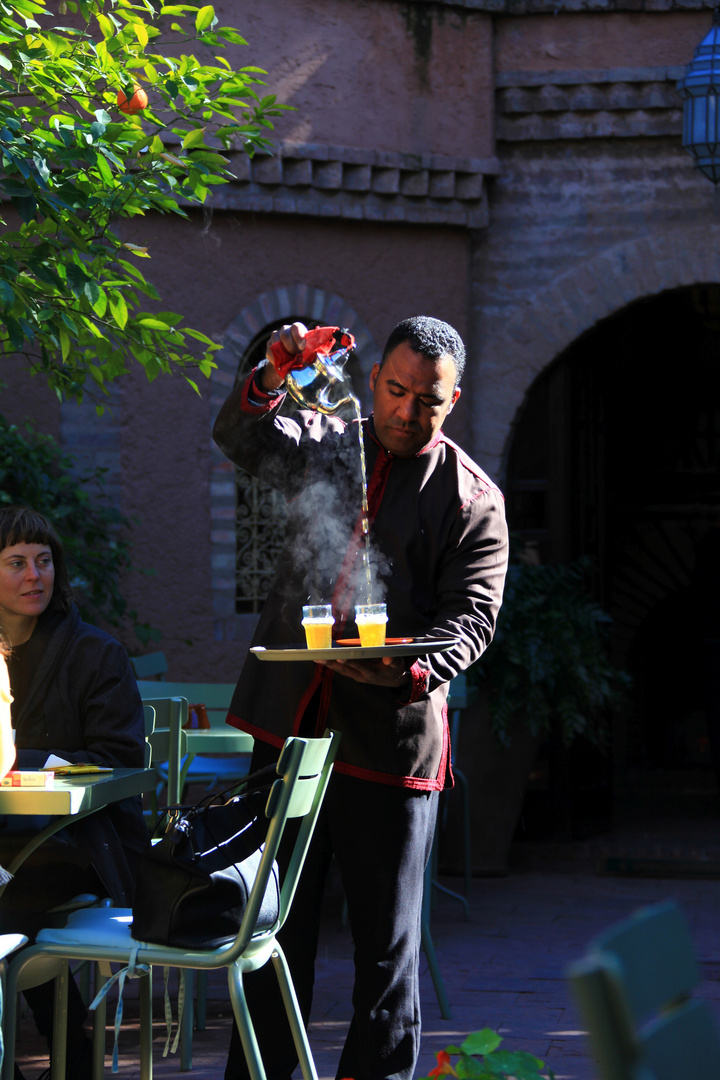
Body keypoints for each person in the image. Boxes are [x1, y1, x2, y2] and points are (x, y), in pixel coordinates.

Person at [213, 315, 509, 1080]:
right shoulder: (326, 440)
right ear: (375, 378)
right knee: (270, 937)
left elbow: (471, 621)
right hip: (288, 728)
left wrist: (406, 674)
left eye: (429, 402)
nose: (408, 413)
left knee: (386, 955)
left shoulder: (473, 499)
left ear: (455, 400)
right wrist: (276, 373)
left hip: (389, 744)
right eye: (397, 391)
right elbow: (242, 436)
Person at [0, 505, 149, 1079]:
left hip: (86, 844)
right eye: (16, 563)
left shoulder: (95, 654)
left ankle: (61, 1054)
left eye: (44, 562)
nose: (35, 575)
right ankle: (70, 1055)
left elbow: (118, 764)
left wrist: (22, 764)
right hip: (8, 848)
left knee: (13, 899)